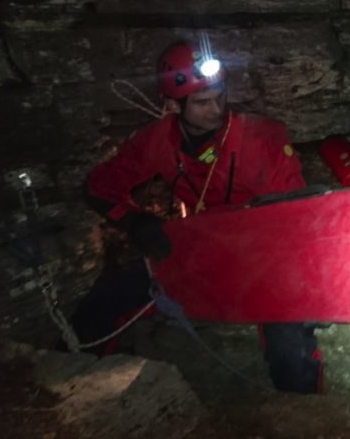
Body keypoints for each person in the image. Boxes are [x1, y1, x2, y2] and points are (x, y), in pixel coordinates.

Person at [70, 38, 322, 394]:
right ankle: (80, 390)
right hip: (198, 249)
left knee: (290, 352)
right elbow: (99, 187)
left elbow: (295, 212)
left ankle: (304, 409)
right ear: (173, 105)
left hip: (263, 255)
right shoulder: (157, 141)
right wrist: (136, 222)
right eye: (202, 103)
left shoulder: (262, 138)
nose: (217, 109)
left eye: (220, 95)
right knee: (103, 303)